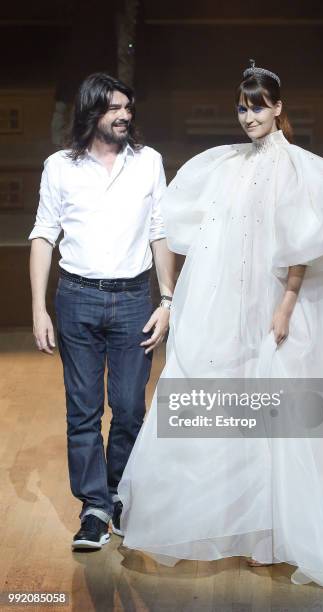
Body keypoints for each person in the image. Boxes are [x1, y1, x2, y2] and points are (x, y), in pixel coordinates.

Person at [117, 60, 323, 591]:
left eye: (257, 106)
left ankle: (283, 534)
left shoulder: (295, 166)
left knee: (285, 415)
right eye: (242, 106)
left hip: (279, 307)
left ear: (277, 107)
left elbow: (303, 242)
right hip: (233, 305)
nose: (248, 116)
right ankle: (254, 532)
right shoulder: (227, 164)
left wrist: (286, 303)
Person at [29, 73, 176, 550]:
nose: (125, 115)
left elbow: (161, 232)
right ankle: (93, 507)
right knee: (83, 412)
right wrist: (38, 308)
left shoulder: (149, 162)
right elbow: (43, 236)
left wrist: (168, 300)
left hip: (135, 298)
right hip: (76, 299)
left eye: (128, 107)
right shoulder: (59, 167)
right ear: (91, 111)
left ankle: (118, 494)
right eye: (115, 107)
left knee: (131, 407)